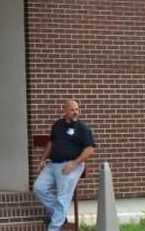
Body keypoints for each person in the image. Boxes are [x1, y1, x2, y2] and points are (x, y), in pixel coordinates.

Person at [34, 99, 96, 231]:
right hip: (53, 165)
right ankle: (59, 216)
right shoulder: (57, 125)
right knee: (39, 188)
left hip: (71, 165)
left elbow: (90, 149)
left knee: (63, 197)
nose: (75, 112)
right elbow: (51, 143)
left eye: (77, 110)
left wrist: (74, 163)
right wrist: (43, 159)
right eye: (72, 110)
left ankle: (54, 227)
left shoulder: (82, 128)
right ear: (65, 110)